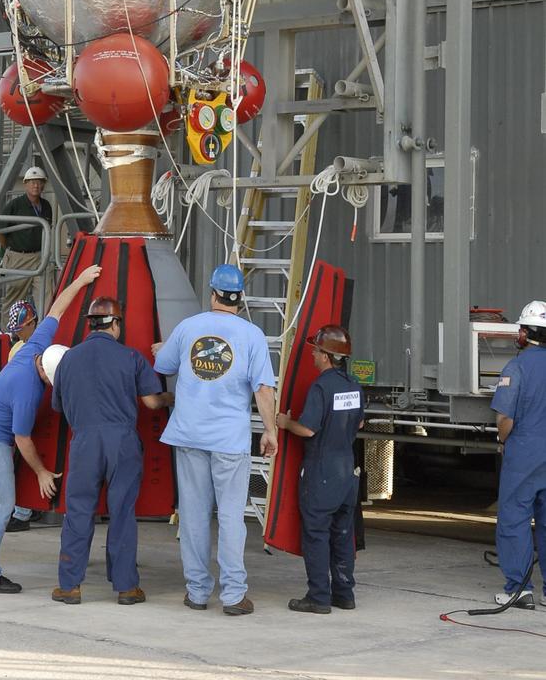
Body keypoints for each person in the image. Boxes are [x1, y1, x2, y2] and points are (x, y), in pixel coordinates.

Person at [0, 264, 102, 593]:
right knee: (0, 505)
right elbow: (22, 438)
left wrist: (80, 280)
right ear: (46, 374)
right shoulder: (28, 389)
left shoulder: (38, 345)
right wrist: (41, 472)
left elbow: (58, 308)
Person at [153, 263, 277, 616]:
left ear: (212, 294)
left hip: (190, 435)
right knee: (231, 517)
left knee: (193, 516)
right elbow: (264, 389)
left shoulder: (189, 328)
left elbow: (162, 364)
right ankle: (234, 596)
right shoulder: (252, 336)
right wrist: (271, 430)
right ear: (240, 298)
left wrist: (166, 347)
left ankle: (197, 592)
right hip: (230, 441)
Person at [51, 297, 174, 607]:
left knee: (78, 512)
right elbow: (150, 402)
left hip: (84, 441)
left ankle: (70, 586)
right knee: (122, 513)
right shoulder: (130, 357)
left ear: (90, 323)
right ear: (116, 324)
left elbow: (59, 406)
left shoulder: (69, 359)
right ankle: (126, 588)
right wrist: (173, 397)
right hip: (121, 442)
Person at [276, 324, 364, 613]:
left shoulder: (321, 386)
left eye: (316, 350)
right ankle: (344, 594)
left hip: (322, 472)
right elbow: (359, 423)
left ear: (326, 356)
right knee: (342, 534)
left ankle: (318, 597)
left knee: (316, 534)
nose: (313, 355)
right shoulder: (354, 386)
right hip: (346, 472)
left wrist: (285, 422)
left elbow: (308, 429)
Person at [490, 299, 546, 610]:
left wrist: (503, 439)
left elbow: (505, 419)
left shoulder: (517, 367)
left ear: (524, 333)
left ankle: (520, 590)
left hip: (524, 455)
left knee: (515, 518)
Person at [0, 166, 52, 324]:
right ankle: (7, 334)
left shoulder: (46, 206)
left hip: (39, 256)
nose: (36, 185)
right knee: (14, 296)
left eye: (39, 182)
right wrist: (8, 251)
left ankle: (45, 330)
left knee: (46, 295)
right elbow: (1, 230)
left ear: (43, 185)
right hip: (18, 257)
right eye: (32, 182)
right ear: (25, 184)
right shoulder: (15, 205)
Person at [4, 299, 40, 533]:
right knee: (22, 462)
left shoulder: (40, 345)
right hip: (23, 409)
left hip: (34, 410)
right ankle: (23, 509)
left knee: (28, 462)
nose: (17, 334)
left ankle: (23, 511)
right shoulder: (19, 348)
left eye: (20, 329)